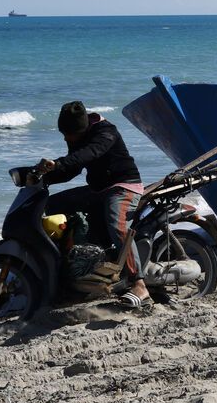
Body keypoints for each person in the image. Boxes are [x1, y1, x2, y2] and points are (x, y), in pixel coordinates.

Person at [37, 101, 152, 307]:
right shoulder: (78, 134)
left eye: (67, 134)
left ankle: (140, 284)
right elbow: (73, 167)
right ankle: (72, 274)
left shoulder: (105, 132)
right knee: (53, 204)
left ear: (78, 130)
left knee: (117, 223)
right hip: (99, 189)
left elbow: (90, 153)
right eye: (64, 134)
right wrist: (43, 177)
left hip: (123, 186)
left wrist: (59, 163)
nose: (65, 138)